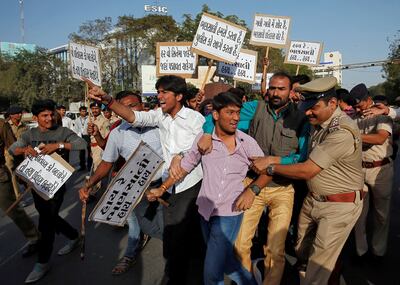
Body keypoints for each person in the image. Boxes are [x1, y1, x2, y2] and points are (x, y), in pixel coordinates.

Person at [85, 75, 206, 285]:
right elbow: (133, 118)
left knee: (177, 231)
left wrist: (178, 160)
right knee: (164, 229)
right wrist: (107, 99)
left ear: (178, 96)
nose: (159, 96)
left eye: (163, 92)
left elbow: (192, 153)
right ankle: (186, 260)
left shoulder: (195, 119)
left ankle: (182, 272)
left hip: (188, 185)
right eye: (157, 92)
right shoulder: (160, 117)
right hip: (160, 187)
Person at [147, 92, 270, 285]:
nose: (236, 118)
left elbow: (267, 171)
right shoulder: (204, 141)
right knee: (227, 262)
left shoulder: (247, 143)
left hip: (230, 214)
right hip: (205, 210)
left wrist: (252, 191)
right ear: (215, 115)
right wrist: (162, 188)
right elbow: (185, 167)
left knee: (211, 273)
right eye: (230, 112)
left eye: (238, 113)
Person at [251, 77, 364, 285]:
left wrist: (270, 167)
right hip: (314, 201)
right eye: (305, 106)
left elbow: (307, 170)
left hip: (338, 205)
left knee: (318, 266)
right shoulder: (318, 122)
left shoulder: (341, 132)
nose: (307, 112)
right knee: (301, 250)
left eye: (314, 108)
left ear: (332, 104)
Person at [199, 71, 309, 285]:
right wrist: (206, 133)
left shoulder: (301, 119)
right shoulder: (254, 108)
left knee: (275, 249)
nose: (276, 93)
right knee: (240, 245)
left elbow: (302, 157)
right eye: (272, 88)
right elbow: (215, 117)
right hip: (251, 185)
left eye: (281, 89)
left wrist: (273, 160)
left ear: (291, 91)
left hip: (283, 188)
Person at [79, 91, 164, 275]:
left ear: (142, 106)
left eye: (132, 106)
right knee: (136, 223)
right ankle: (130, 254)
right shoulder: (117, 133)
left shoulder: (160, 124)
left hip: (166, 185)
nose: (128, 110)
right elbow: (107, 163)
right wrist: (89, 183)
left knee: (170, 224)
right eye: (123, 107)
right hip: (135, 186)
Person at [9, 99, 86, 283]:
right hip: (36, 184)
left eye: (51, 114)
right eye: (44, 115)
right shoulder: (30, 134)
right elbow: (13, 149)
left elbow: (82, 144)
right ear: (35, 117)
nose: (49, 118)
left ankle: (42, 262)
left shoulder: (63, 132)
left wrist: (58, 146)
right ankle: (74, 236)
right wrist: (25, 149)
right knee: (49, 217)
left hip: (56, 185)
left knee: (45, 223)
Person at [350, 83, 393, 261]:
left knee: (381, 214)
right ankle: (361, 250)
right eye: (355, 106)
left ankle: (378, 251)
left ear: (369, 100)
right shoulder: (354, 117)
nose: (358, 109)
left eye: (360, 105)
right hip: (359, 168)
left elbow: (381, 137)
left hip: (380, 169)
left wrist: (354, 137)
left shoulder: (381, 116)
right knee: (358, 213)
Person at [0, 119, 40, 258]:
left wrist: (24, 151)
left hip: (0, 175)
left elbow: (12, 147)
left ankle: (34, 237)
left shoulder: (1, 124)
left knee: (12, 209)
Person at [73, 106, 90, 171]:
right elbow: (75, 129)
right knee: (81, 152)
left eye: (85, 111)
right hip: (80, 136)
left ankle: (89, 166)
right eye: (82, 111)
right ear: (80, 112)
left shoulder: (89, 119)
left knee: (89, 151)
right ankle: (82, 166)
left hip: (87, 136)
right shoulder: (77, 120)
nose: (84, 112)